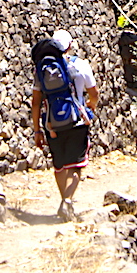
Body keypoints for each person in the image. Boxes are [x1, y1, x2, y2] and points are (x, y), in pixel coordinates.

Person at [30, 29, 99, 222]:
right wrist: (90, 107)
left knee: (59, 166)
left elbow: (35, 102)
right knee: (76, 166)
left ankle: (64, 202)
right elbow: (93, 94)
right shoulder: (80, 65)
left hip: (52, 124)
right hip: (77, 120)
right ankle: (67, 201)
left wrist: (37, 130)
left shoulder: (40, 70)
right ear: (69, 46)